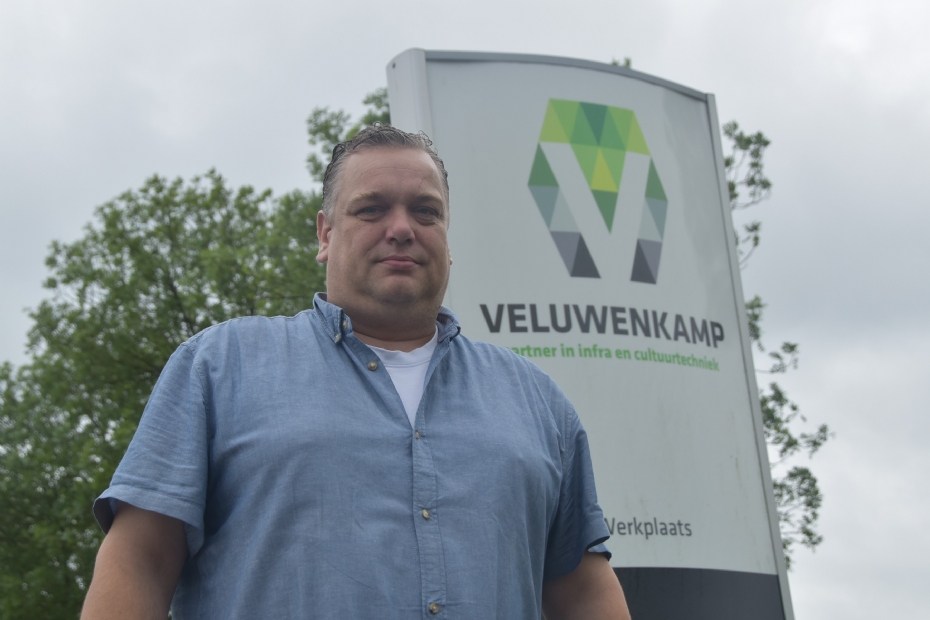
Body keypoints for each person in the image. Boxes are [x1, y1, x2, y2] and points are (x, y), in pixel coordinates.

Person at [80, 125, 630, 620]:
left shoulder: (537, 400)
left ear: (447, 237)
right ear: (324, 235)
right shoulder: (220, 366)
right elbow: (141, 561)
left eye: (426, 211)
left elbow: (583, 593)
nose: (402, 228)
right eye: (371, 209)